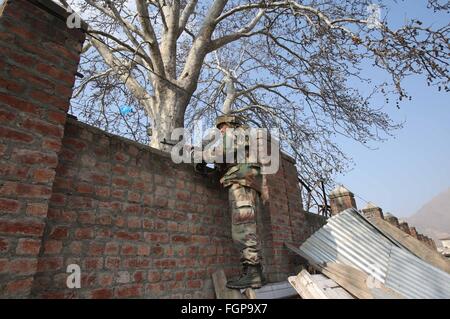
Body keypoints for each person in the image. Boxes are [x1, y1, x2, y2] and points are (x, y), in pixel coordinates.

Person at [191, 114, 266, 289]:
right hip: (245, 184)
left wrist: (197, 154)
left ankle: (253, 274)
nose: (221, 131)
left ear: (230, 124)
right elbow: (225, 161)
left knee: (243, 229)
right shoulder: (243, 139)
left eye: (222, 127)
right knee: (249, 228)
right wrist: (202, 164)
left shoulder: (236, 133)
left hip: (241, 185)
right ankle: (255, 273)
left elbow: (220, 153)